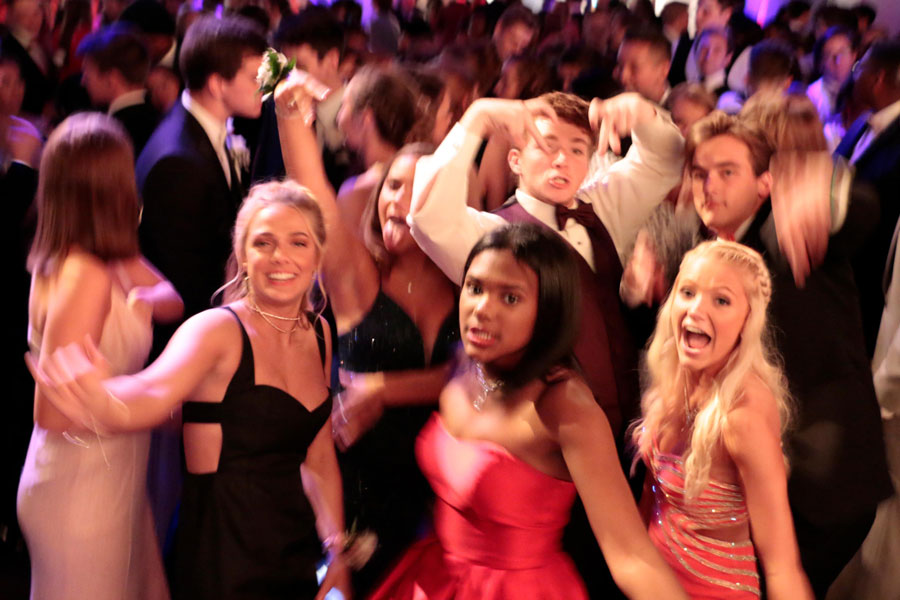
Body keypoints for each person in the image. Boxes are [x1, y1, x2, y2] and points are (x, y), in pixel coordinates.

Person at [27, 180, 350, 600]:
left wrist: (336, 553)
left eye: (298, 242)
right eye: (263, 243)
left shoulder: (319, 334)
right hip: (223, 560)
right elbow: (150, 392)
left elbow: (320, 457)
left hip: (292, 553)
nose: (280, 257)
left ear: (318, 255)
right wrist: (100, 399)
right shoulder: (216, 330)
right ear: (243, 257)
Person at [369, 223, 688, 600]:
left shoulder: (566, 406)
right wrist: (375, 391)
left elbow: (631, 557)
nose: (481, 309)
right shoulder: (468, 363)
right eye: (475, 288)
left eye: (510, 298)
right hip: (436, 579)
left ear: (548, 312)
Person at [687, 102, 891, 598]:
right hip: (765, 481)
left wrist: (825, 193)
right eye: (702, 172)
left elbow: (858, 213)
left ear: (766, 180)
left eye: (728, 170)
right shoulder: (708, 236)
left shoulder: (787, 233)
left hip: (820, 488)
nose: (711, 185)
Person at [276, 72, 459, 595]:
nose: (396, 200)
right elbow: (314, 193)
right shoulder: (361, 280)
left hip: (438, 504)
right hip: (357, 500)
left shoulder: (471, 285)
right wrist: (292, 116)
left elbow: (473, 372)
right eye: (392, 186)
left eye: (418, 187)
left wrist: (383, 388)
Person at [16, 112, 181, 600]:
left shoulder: (112, 255)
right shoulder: (83, 274)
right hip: (80, 489)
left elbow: (172, 297)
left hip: (115, 481)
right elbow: (49, 412)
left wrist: (151, 303)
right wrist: (150, 409)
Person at [633, 240, 813, 599]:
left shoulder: (741, 419)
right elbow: (650, 502)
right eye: (687, 292)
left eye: (721, 300)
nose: (696, 310)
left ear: (749, 320)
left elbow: (781, 564)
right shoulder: (672, 381)